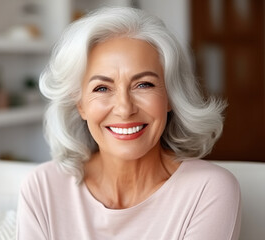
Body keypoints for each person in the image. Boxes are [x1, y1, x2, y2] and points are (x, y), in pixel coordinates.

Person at [16, 7, 241, 240]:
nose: (124, 109)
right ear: (80, 104)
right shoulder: (43, 187)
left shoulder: (209, 190)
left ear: (171, 97)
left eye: (143, 84)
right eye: (102, 88)